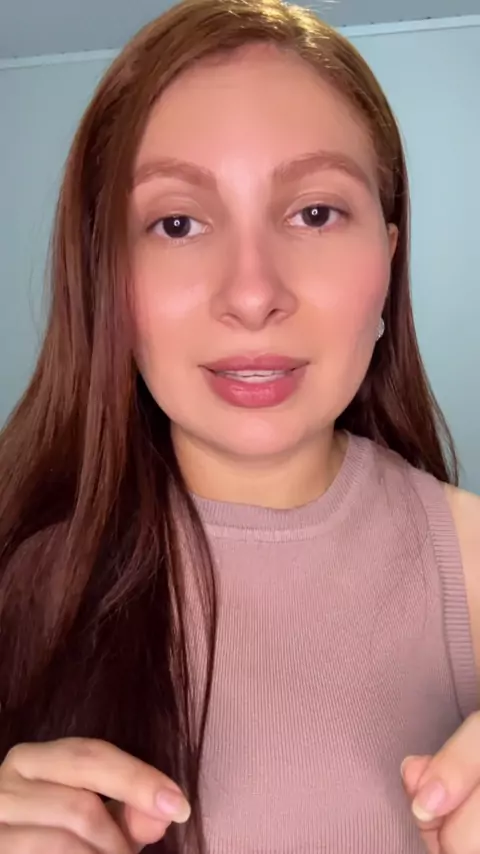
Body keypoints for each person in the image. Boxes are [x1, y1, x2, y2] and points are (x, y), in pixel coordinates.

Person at [0, 0, 479, 851]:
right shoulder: (20, 584)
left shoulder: (471, 564)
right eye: (177, 223)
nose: (253, 295)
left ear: (389, 255)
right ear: (107, 277)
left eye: (315, 214)